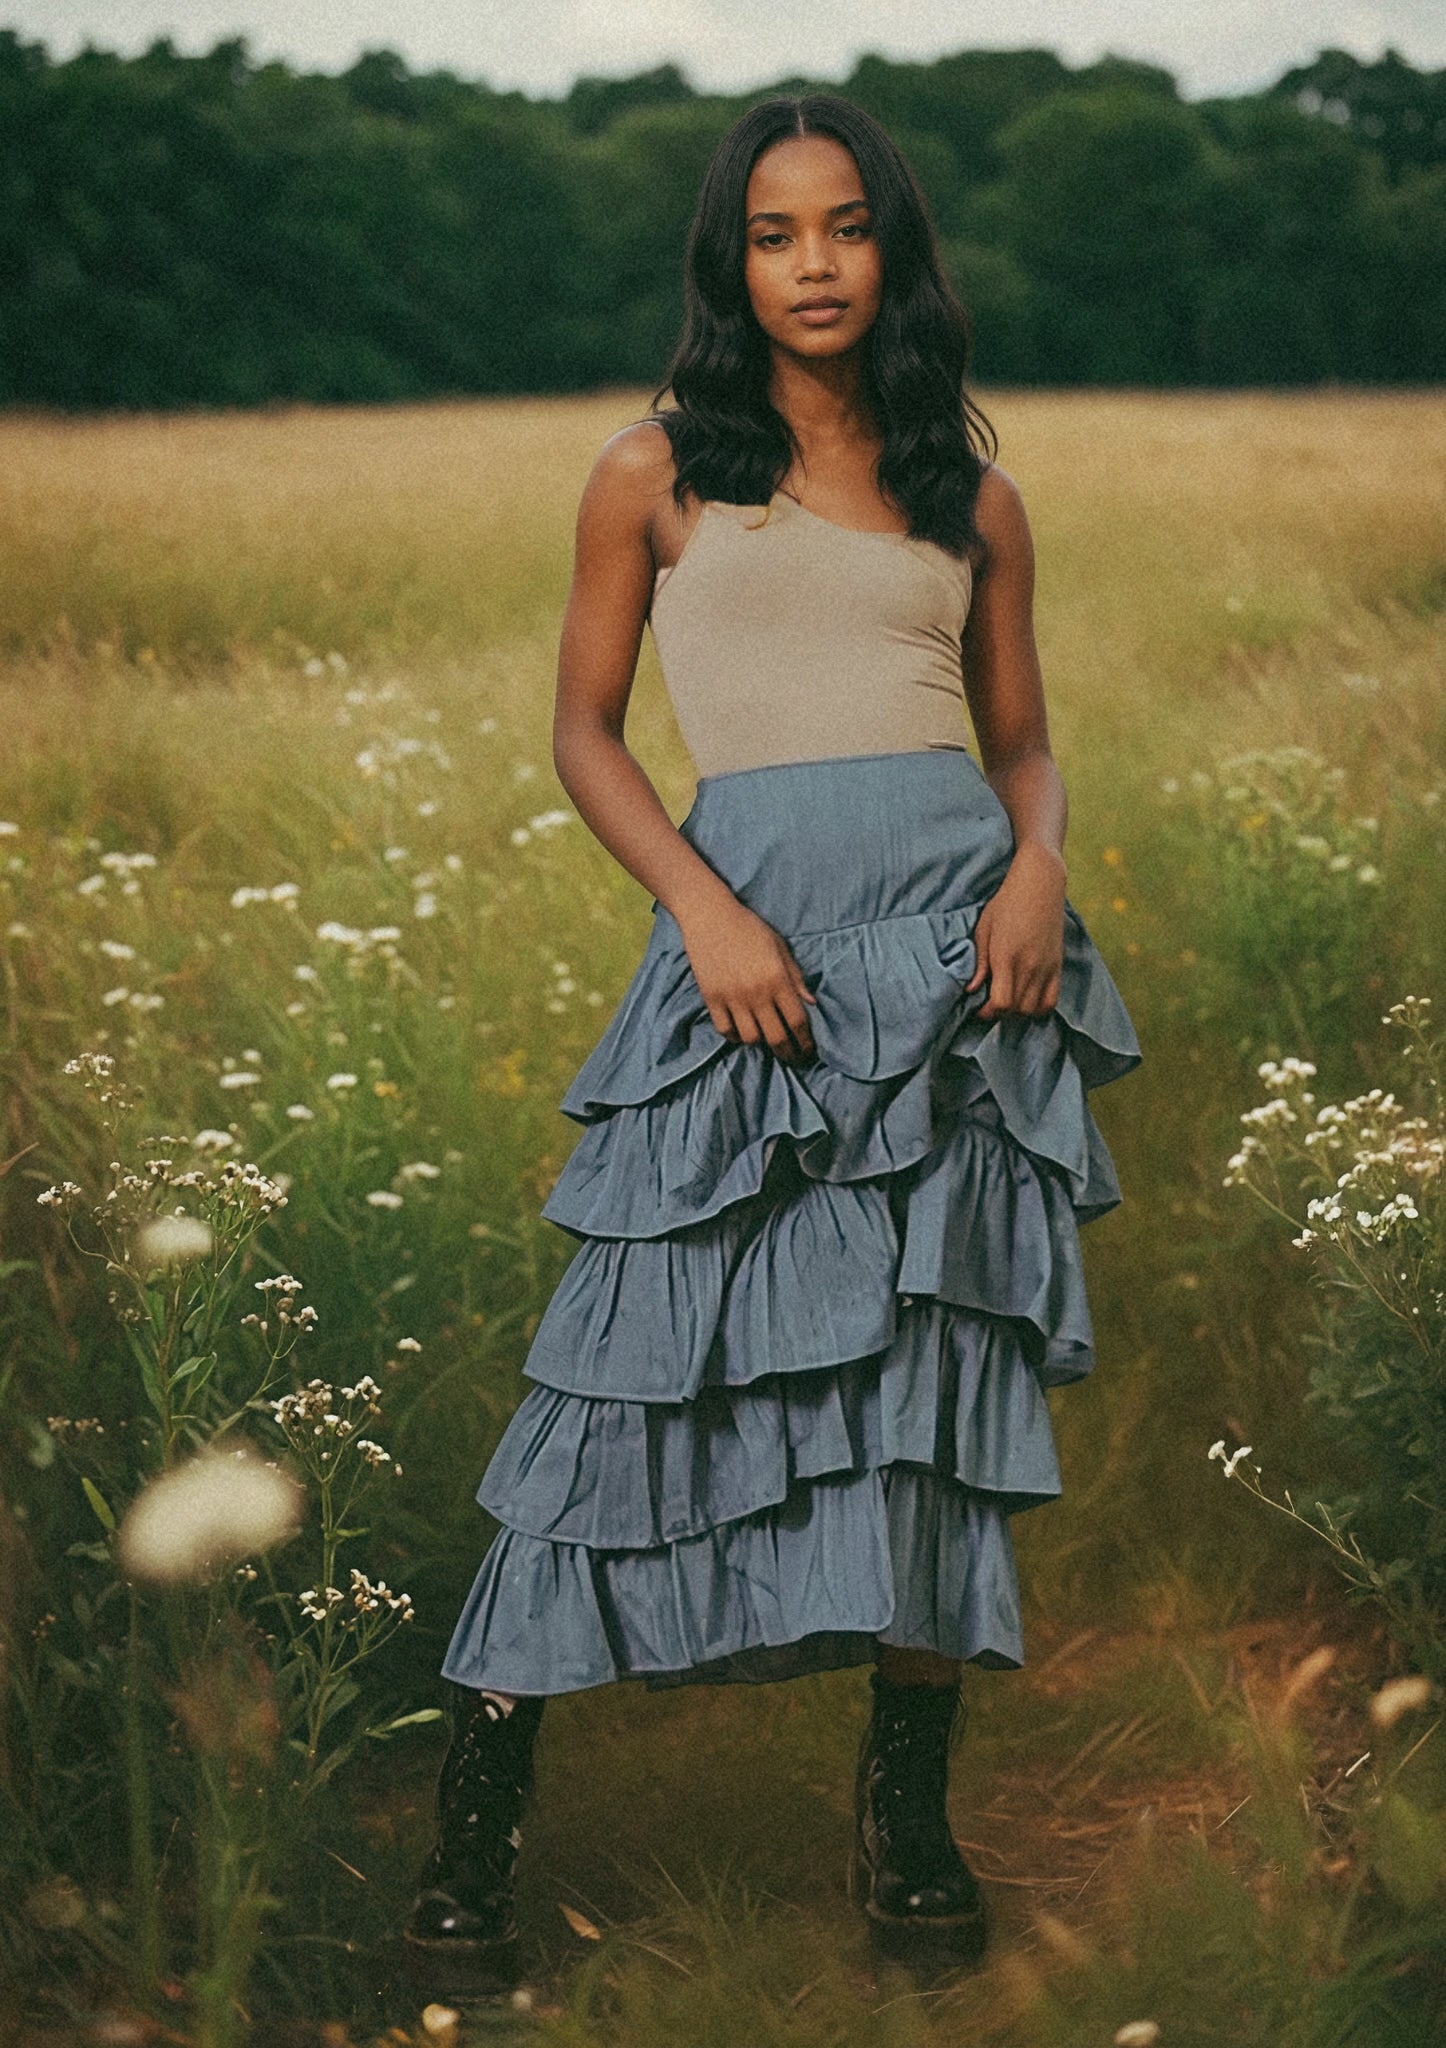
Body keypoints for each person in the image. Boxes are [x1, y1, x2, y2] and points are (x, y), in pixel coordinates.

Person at [402, 91, 1141, 1992]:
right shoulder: (650, 471)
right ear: (728, 262)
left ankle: (904, 1833)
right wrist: (703, 909)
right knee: (625, 1381)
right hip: (749, 962)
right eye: (769, 232)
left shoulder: (969, 491)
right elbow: (582, 729)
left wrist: (1041, 864)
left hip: (958, 967)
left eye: (843, 228)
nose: (810, 264)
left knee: (921, 1395)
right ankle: (470, 1852)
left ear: (892, 247)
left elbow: (1021, 735)